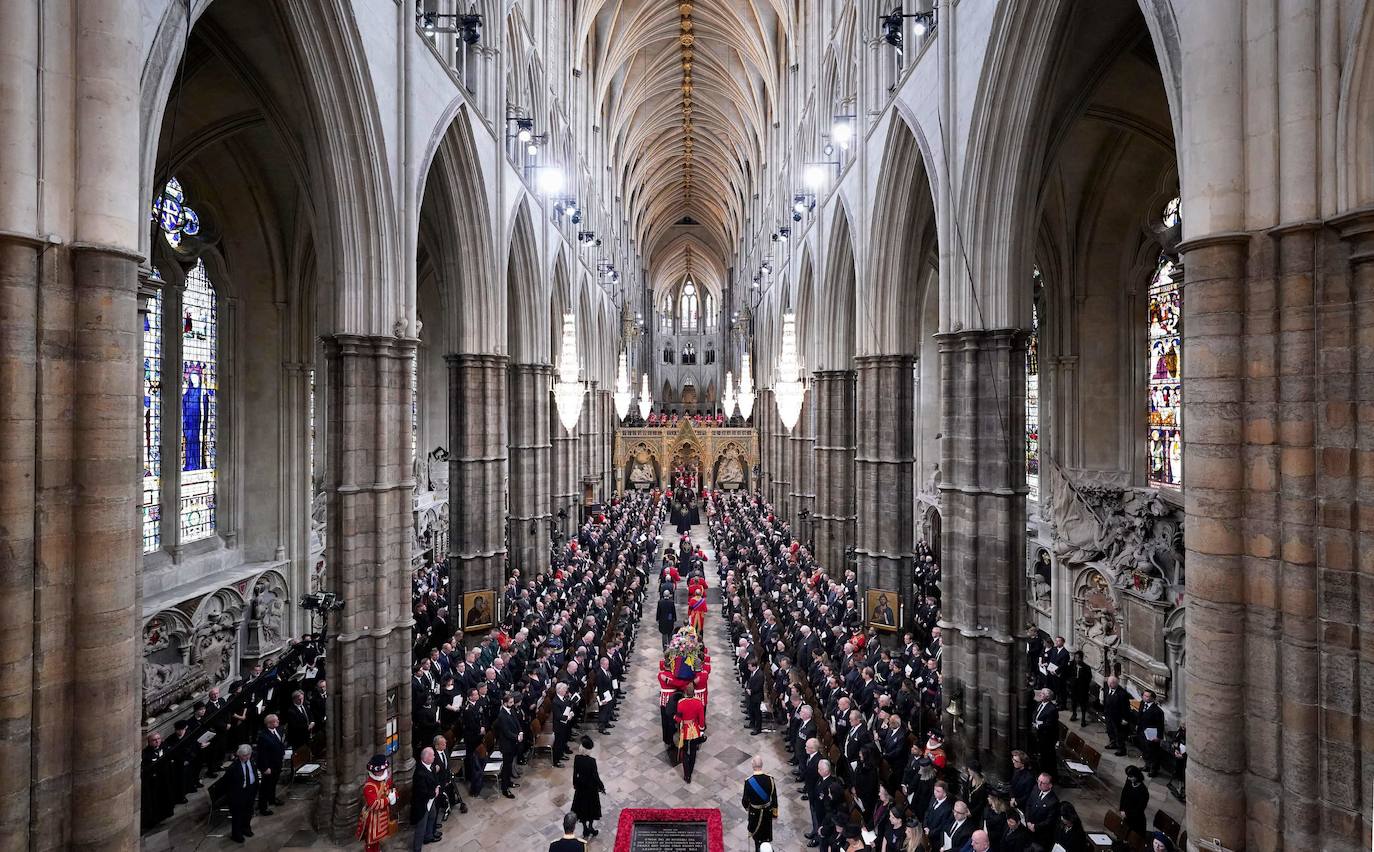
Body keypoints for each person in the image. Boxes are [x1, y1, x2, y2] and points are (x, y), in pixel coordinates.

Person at [213, 744, 260, 844]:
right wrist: (231, 796)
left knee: (248, 812)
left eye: (248, 755)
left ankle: (246, 829)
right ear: (239, 755)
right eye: (244, 755)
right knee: (237, 815)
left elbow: (254, 773)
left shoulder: (251, 761)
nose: (246, 757)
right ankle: (236, 834)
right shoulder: (233, 768)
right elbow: (226, 783)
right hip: (238, 794)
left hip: (250, 790)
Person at [355, 755, 395, 852]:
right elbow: (373, 804)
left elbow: (391, 789)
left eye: (381, 770)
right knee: (371, 842)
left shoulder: (387, 779)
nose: (379, 772)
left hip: (385, 815)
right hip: (373, 819)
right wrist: (388, 800)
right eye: (377, 771)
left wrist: (394, 795)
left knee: (382, 839)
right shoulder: (369, 786)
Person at [741, 755, 779, 851]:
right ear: (762, 765)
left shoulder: (749, 782)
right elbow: (774, 797)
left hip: (755, 813)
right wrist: (774, 813)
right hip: (767, 812)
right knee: (766, 835)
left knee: (757, 837)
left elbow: (745, 800)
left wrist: (748, 808)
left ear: (753, 766)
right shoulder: (770, 779)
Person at [571, 736, 606, 839]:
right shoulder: (592, 761)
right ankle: (590, 827)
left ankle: (585, 828)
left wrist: (574, 784)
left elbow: (575, 773)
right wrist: (601, 786)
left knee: (581, 809)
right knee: (591, 809)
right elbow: (595, 776)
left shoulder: (577, 758)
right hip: (590, 789)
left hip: (580, 788)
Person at [409, 747, 441, 852]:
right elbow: (422, 791)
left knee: (432, 815)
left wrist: (437, 786)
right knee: (421, 826)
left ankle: (428, 837)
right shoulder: (420, 773)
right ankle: (417, 848)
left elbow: (434, 778)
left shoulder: (429, 766)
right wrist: (434, 792)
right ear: (426, 757)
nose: (434, 756)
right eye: (432, 755)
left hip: (430, 800)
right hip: (422, 803)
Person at [255, 713, 287, 815]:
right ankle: (263, 807)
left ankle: (272, 799)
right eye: (275, 721)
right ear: (269, 724)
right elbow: (262, 754)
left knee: (273, 783)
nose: (278, 722)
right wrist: (265, 768)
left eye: (277, 720)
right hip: (268, 765)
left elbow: (280, 743)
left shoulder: (278, 730)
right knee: (265, 786)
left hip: (277, 762)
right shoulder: (263, 736)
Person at [674, 683, 706, 783]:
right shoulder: (698, 702)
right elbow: (701, 718)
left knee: (684, 752)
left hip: (685, 730)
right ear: (694, 692)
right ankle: (690, 771)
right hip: (695, 729)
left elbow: (679, 719)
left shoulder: (681, 703)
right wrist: (701, 729)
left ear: (685, 692)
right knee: (693, 751)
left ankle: (686, 775)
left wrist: (674, 717)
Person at [1022, 772, 1060, 849]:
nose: (1039, 784)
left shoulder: (1054, 801)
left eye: (1042, 783)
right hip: (1028, 827)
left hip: (1040, 835)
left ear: (1050, 785)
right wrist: (1027, 821)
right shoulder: (1036, 788)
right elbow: (1028, 805)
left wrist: (1035, 826)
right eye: (1038, 781)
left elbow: (1049, 821)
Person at [495, 692, 522, 798]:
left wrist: (520, 731)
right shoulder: (502, 715)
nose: (512, 704)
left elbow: (516, 722)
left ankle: (508, 782)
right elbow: (506, 732)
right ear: (505, 703)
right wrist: (517, 737)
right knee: (506, 767)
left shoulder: (511, 710)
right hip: (506, 745)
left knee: (510, 764)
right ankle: (505, 788)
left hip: (513, 742)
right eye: (510, 702)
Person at [1031, 687, 1059, 776]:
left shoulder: (1052, 709)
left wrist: (1038, 725)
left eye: (1042, 694)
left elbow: (1050, 724)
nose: (1040, 694)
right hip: (1038, 734)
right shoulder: (1040, 703)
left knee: (1046, 757)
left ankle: (1046, 774)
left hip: (1047, 737)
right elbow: (1036, 714)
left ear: (1047, 697)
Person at [1137, 690, 1165, 776]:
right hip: (1142, 732)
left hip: (1152, 735)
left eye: (1147, 696)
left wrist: (1158, 737)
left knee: (1153, 752)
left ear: (1153, 698)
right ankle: (1147, 765)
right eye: (1144, 695)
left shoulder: (1157, 711)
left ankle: (1154, 769)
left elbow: (1160, 725)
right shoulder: (1142, 703)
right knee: (1145, 750)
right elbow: (1140, 715)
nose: (1144, 697)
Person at [1101, 675, 1130, 756]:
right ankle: (1113, 743)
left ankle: (1122, 749)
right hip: (1108, 715)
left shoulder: (1122, 694)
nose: (1110, 685)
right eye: (1109, 683)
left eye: (1112, 683)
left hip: (1118, 717)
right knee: (1110, 730)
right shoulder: (1107, 687)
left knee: (1119, 734)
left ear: (1117, 683)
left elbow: (1125, 708)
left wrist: (1124, 718)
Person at [1120, 764, 1150, 836]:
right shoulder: (1129, 781)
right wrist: (1121, 809)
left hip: (1136, 820)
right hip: (1126, 814)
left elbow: (1139, 809)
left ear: (1137, 776)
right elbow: (1123, 794)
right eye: (1128, 776)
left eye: (1131, 777)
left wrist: (1127, 814)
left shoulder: (1143, 792)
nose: (1128, 778)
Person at [746, 658, 765, 734]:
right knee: (752, 710)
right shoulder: (753, 672)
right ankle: (752, 723)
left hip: (757, 697)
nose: (748, 668)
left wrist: (751, 691)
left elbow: (758, 686)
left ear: (754, 666)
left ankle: (758, 729)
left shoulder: (760, 675)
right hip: (752, 696)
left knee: (757, 713)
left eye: (749, 666)